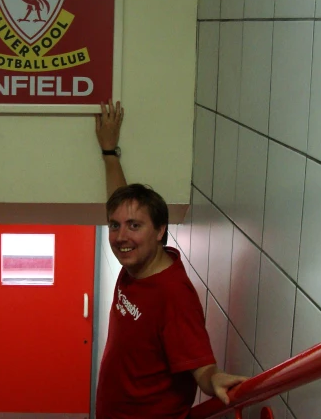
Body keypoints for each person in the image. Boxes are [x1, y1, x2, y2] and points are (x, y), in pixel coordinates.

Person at [94, 100, 247, 418]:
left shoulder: (173, 295)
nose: (121, 236)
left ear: (161, 229)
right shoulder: (138, 262)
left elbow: (202, 368)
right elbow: (119, 201)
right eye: (115, 226)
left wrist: (214, 379)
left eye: (134, 226)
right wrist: (109, 152)